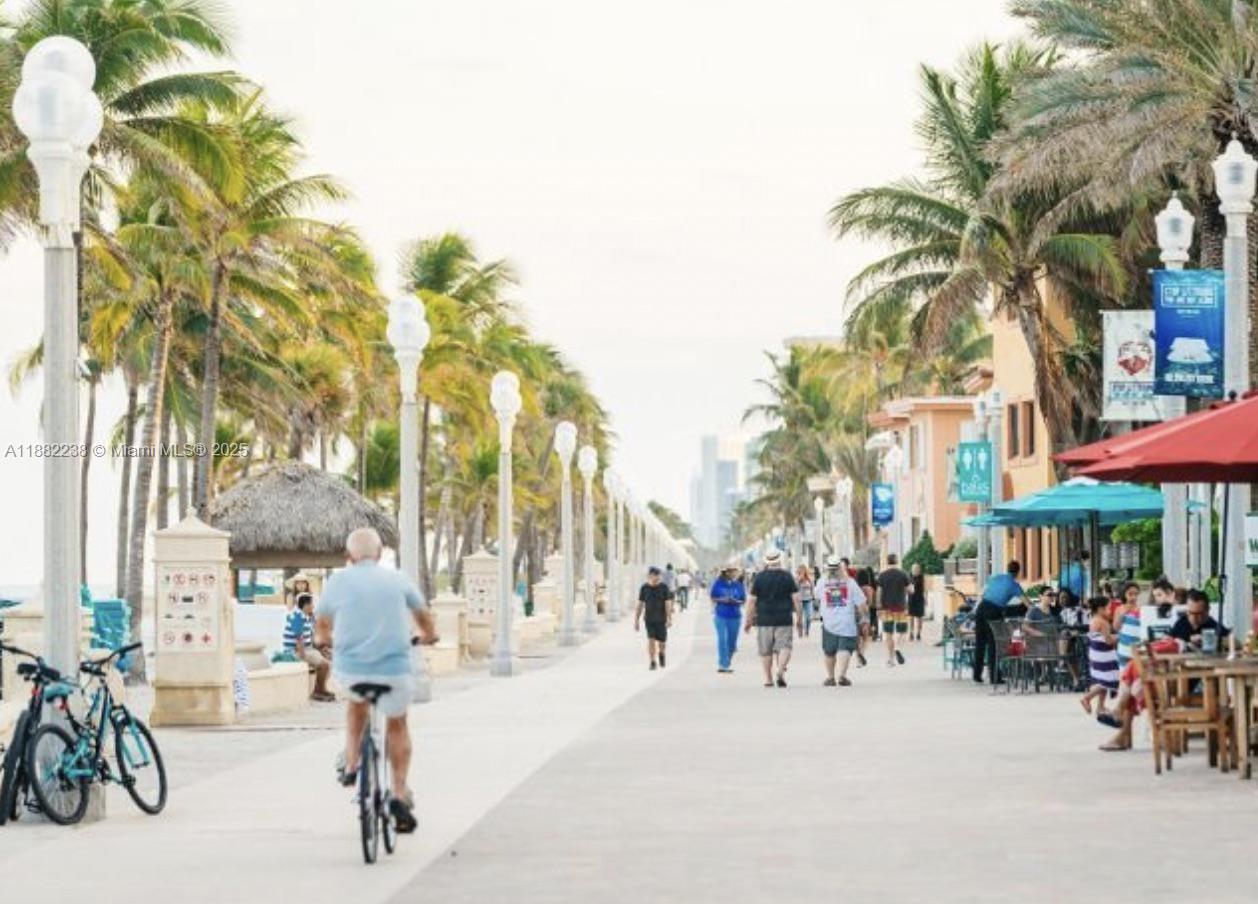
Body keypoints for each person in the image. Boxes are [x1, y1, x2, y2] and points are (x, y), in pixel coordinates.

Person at [314, 527, 438, 835]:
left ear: (348, 556)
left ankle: (352, 763)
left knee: (356, 706)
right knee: (397, 722)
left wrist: (324, 639)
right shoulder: (397, 579)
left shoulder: (337, 582)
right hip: (394, 667)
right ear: (380, 554)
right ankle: (398, 792)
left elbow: (322, 623)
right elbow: (423, 615)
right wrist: (429, 635)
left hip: (352, 668)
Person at [744, 550, 801, 688]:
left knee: (766, 650)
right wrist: (799, 618)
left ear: (766, 561)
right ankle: (780, 671)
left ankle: (768, 679)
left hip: (764, 619)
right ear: (779, 560)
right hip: (784, 618)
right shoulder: (787, 576)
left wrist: (748, 620)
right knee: (785, 646)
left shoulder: (759, 578)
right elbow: (796, 599)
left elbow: (751, 601)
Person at [818, 555, 867, 687]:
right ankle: (842, 675)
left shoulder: (822, 582)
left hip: (828, 622)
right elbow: (861, 603)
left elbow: (816, 595)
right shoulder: (850, 582)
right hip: (847, 621)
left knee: (829, 651)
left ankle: (830, 677)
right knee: (845, 648)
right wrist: (864, 618)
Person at [973, 561, 1025, 685]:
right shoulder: (1014, 585)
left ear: (1007, 569)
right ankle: (994, 677)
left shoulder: (995, 577)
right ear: (1018, 572)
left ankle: (977, 675)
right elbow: (1027, 603)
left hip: (981, 607)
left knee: (980, 643)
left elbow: (982, 593)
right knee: (993, 644)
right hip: (994, 611)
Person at [284, 594, 334, 701]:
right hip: (295, 651)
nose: (313, 606)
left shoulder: (306, 617)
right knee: (324, 665)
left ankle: (321, 689)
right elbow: (299, 638)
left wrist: (321, 650)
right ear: (306, 605)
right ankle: (318, 691)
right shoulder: (297, 616)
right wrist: (303, 657)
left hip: (306, 649)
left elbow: (309, 639)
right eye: (312, 604)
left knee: (328, 660)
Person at [1080, 596, 1118, 716]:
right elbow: (1108, 640)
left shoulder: (1093, 620)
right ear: (1100, 609)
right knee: (1109, 681)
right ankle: (1087, 697)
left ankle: (1100, 707)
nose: (1110, 611)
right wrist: (1120, 637)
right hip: (1104, 655)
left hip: (1096, 653)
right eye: (1108, 608)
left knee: (1104, 680)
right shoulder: (1103, 622)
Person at [635, 566, 675, 670]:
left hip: (661, 620)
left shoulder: (664, 587)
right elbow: (640, 604)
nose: (657, 578)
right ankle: (652, 661)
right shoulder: (644, 588)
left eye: (658, 575)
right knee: (651, 640)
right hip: (649, 619)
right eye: (655, 575)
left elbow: (667, 604)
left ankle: (661, 653)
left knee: (662, 642)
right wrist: (636, 620)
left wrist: (669, 618)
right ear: (649, 576)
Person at [876, 554, 912, 666]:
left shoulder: (882, 575)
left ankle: (890, 659)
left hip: (886, 607)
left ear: (887, 562)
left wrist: (878, 607)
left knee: (888, 633)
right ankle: (897, 647)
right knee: (901, 630)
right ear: (897, 561)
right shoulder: (903, 574)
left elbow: (879, 592)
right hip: (901, 607)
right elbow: (910, 590)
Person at [709, 564, 746, 673]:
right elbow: (713, 597)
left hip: (735, 616)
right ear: (726, 572)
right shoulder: (718, 583)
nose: (734, 573)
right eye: (732, 571)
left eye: (735, 571)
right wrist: (722, 600)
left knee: (732, 644)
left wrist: (735, 601)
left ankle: (726, 661)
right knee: (722, 640)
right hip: (721, 615)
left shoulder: (739, 585)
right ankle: (723, 665)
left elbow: (743, 600)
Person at [1113, 581, 1143, 669]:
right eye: (1130, 594)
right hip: (1123, 648)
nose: (1133, 597)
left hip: (1138, 650)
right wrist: (1122, 615)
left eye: (1136, 594)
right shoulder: (1119, 609)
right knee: (1123, 674)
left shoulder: (1141, 609)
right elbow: (1116, 628)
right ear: (1124, 594)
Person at [907, 562, 927, 642]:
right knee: (911, 617)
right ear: (912, 569)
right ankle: (911, 632)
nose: (915, 570)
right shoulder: (909, 576)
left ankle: (918, 633)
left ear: (919, 569)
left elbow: (925, 589)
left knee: (919, 617)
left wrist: (926, 599)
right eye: (914, 568)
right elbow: (906, 587)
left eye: (917, 568)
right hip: (911, 599)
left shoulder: (921, 577)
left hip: (919, 599)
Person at [796, 565, 816, 637]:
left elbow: (812, 588)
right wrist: (799, 580)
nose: (802, 572)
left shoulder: (810, 579)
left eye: (803, 571)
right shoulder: (797, 579)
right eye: (801, 571)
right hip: (800, 600)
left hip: (808, 599)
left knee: (809, 617)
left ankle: (807, 630)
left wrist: (813, 596)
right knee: (799, 618)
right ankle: (800, 631)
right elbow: (795, 589)